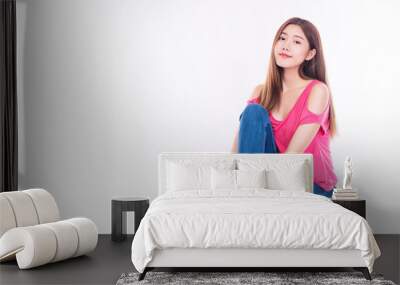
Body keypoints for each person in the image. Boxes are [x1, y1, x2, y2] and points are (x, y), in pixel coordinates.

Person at [231, 17, 338, 198]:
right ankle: (247, 196)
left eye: (296, 42)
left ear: (310, 54)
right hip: (266, 181)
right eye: (282, 38)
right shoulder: (260, 92)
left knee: (261, 181)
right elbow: (236, 154)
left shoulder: (318, 91)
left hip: (308, 184)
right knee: (254, 111)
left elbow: (292, 158)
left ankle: (250, 195)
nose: (285, 46)